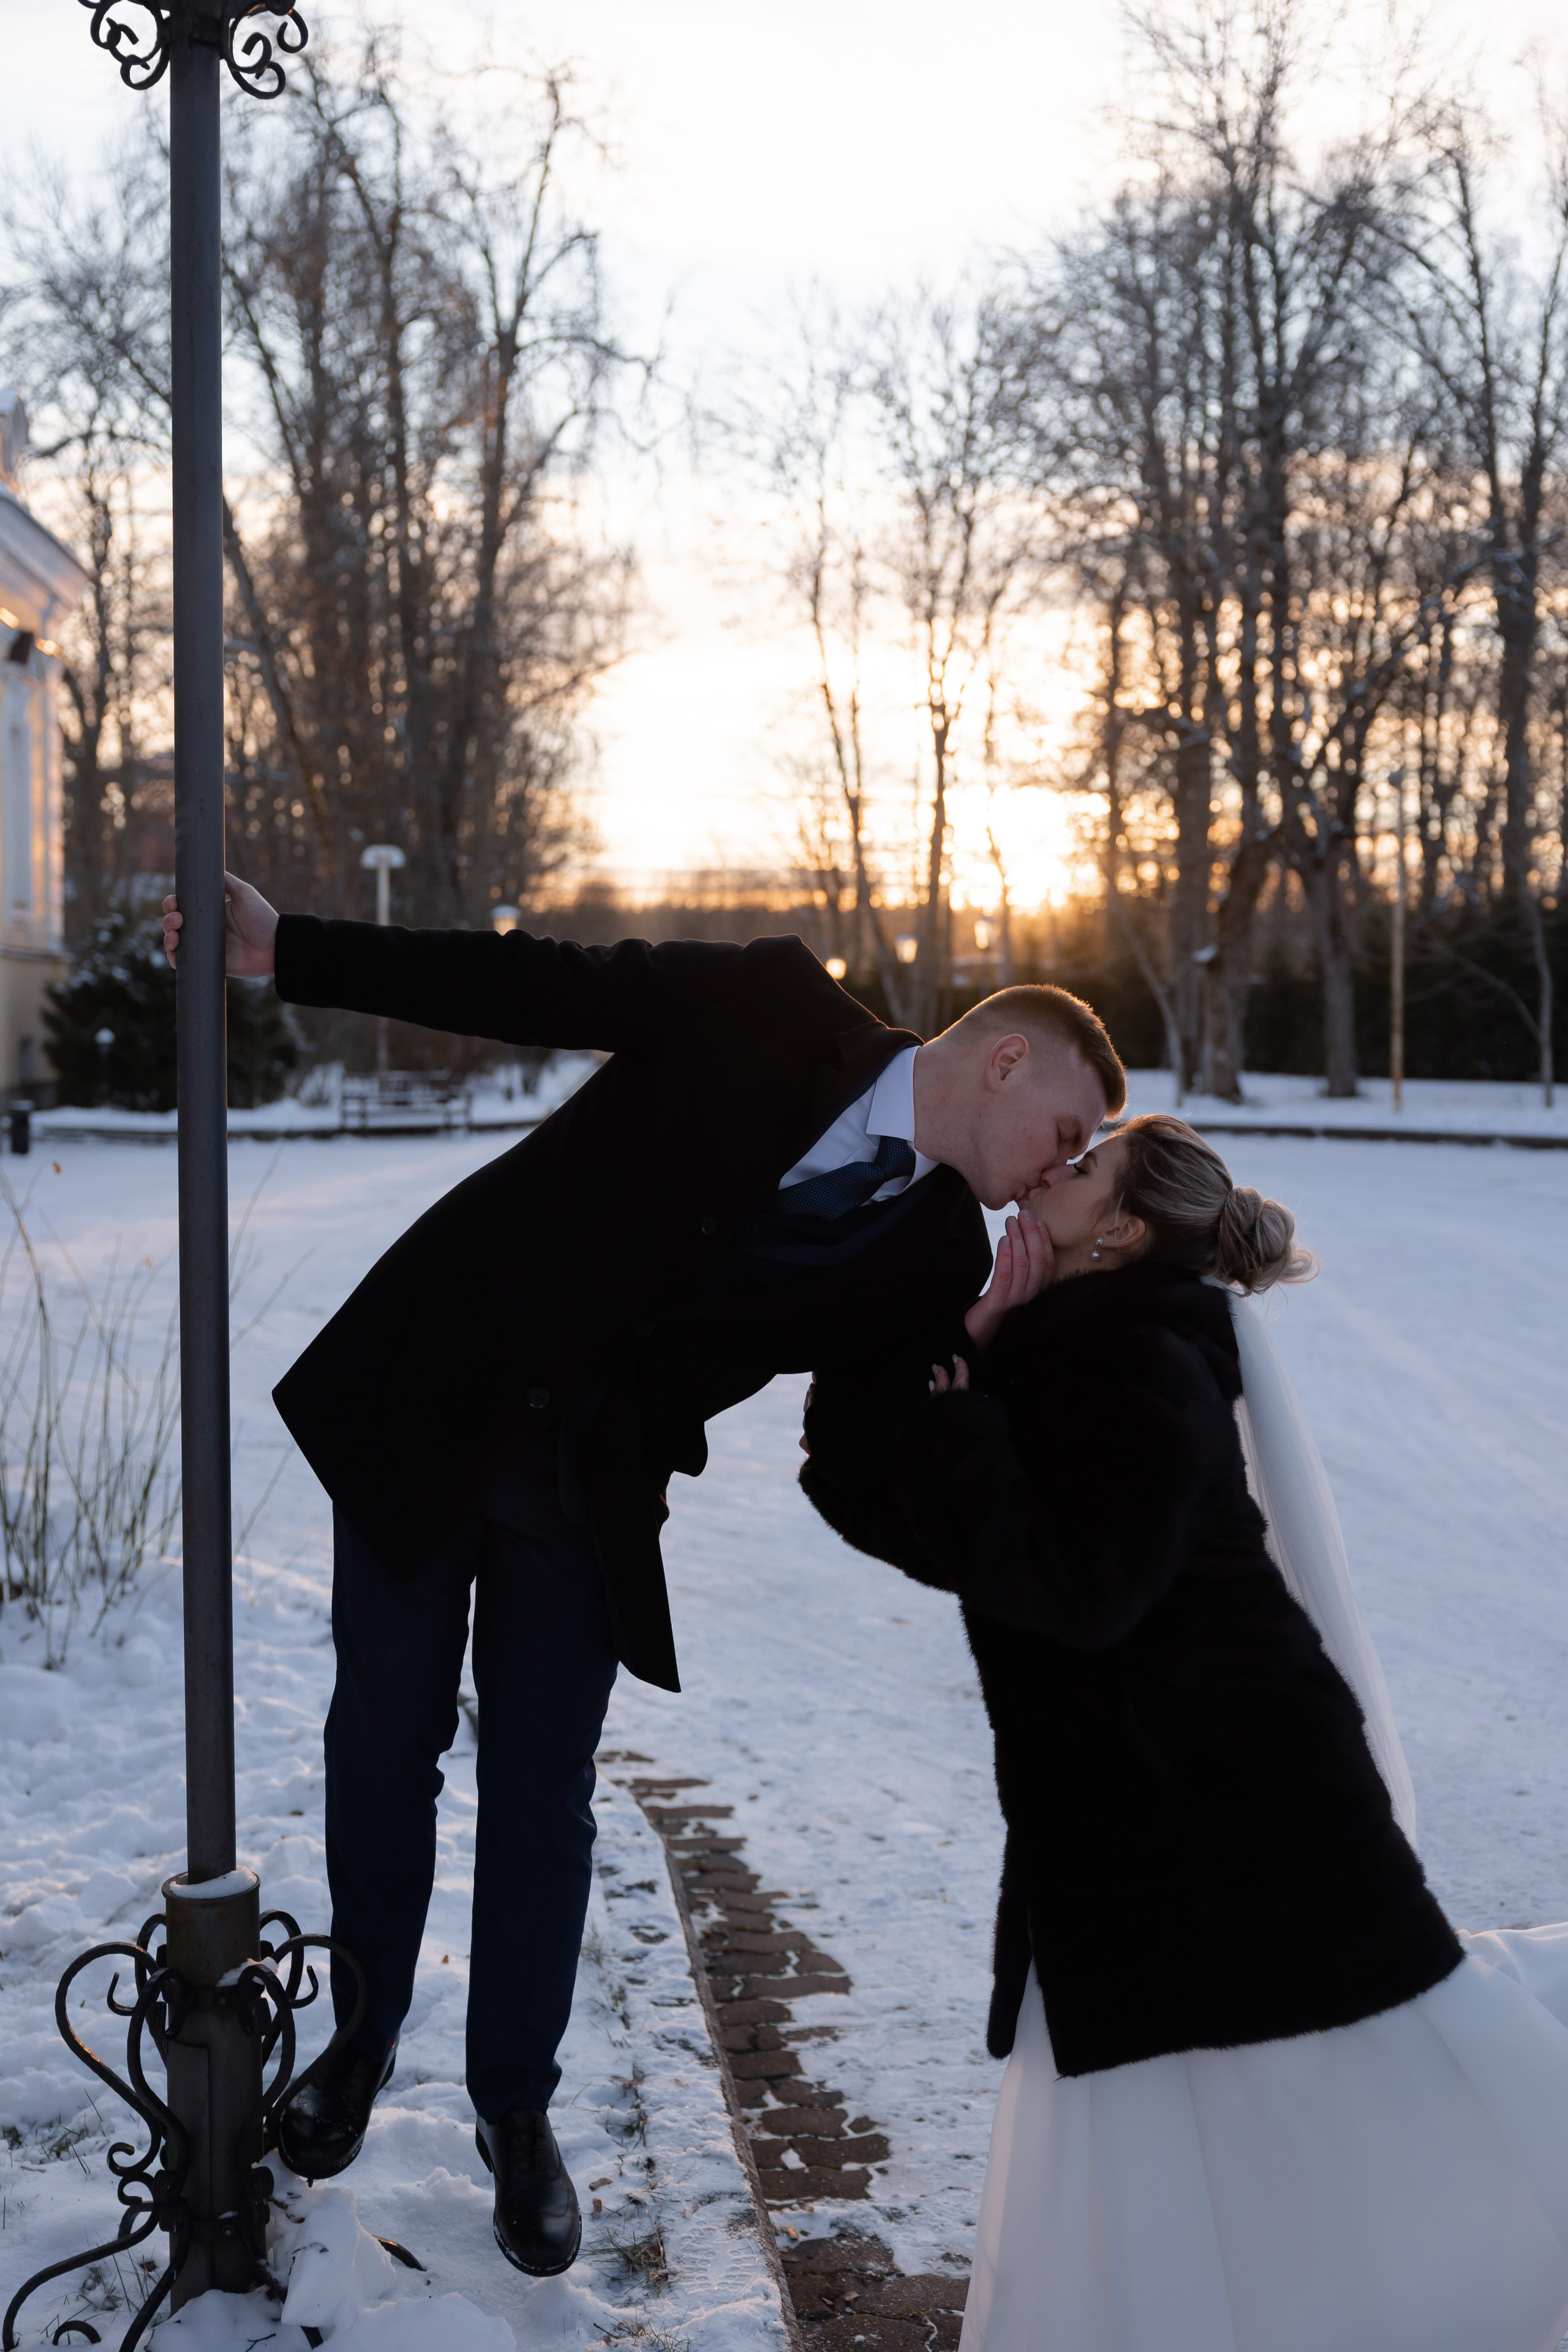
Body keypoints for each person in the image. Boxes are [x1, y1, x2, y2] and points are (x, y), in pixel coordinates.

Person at [160, 873, 1120, 2278]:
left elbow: (847, 1461)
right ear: (1003, 1057)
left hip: (590, 1493)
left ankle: (516, 2113)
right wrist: (290, 948)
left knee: (543, 1799)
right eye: (1067, 1132)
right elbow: (539, 983)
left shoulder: (931, 1254)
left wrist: (969, 1352)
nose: (1058, 1164)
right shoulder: (772, 1004)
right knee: (385, 1738)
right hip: (438, 1393)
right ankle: (359, 2046)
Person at [800, 1112, 1568, 2352]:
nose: (1048, 1164)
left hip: (1239, 1812)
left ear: (1123, 1225)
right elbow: (881, 1508)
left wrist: (960, 1414)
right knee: (1193, 2146)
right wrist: (964, 1356)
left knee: (1375, 2114)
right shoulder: (1048, 1349)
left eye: (1083, 1161)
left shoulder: (1148, 1358)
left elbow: (1080, 1587)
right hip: (1129, 1827)